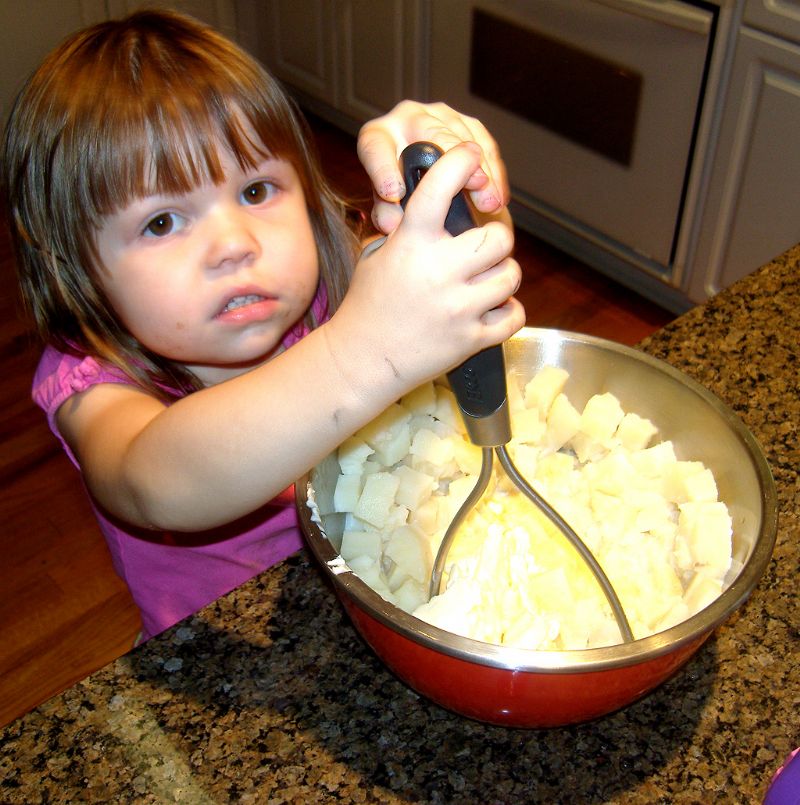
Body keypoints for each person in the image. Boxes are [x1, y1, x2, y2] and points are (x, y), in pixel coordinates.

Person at [2, 9, 524, 643]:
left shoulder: (333, 289)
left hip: (380, 600)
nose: (234, 244)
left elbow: (464, 284)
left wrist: (460, 185)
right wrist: (365, 351)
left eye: (255, 192)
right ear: (77, 265)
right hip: (229, 661)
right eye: (161, 222)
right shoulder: (92, 385)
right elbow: (153, 482)